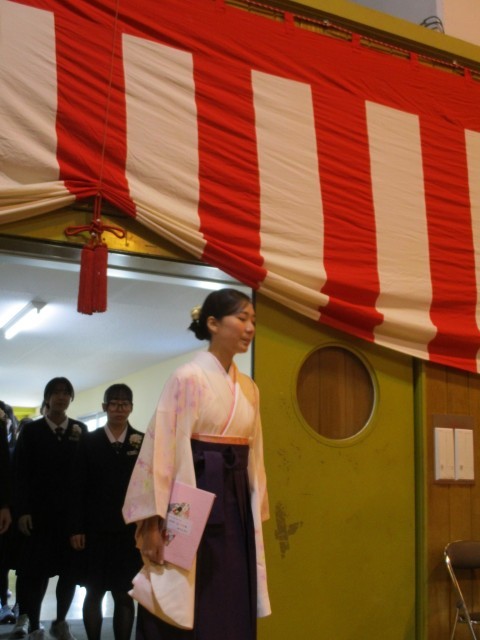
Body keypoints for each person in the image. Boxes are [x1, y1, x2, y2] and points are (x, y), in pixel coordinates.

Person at [123, 288, 271, 640]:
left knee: (231, 588)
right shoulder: (187, 377)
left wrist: (255, 504)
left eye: (253, 320)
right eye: (242, 318)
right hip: (193, 492)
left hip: (236, 499)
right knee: (185, 587)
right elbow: (163, 449)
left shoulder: (249, 388)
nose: (250, 327)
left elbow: (256, 455)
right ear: (213, 324)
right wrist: (154, 521)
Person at [13, 378, 88, 640]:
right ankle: (35, 625)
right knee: (36, 572)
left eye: (66, 393)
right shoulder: (31, 431)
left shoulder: (80, 430)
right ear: (47, 397)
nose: (61, 397)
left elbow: (86, 476)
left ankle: (60, 621)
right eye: (55, 393)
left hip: (70, 516)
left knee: (69, 572)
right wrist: (22, 510)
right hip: (38, 515)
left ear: (70, 398)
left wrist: (82, 518)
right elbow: (20, 473)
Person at [69, 384, 144, 640]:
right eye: (114, 403)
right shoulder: (88, 441)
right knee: (94, 591)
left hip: (129, 530)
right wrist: (76, 528)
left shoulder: (142, 441)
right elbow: (77, 486)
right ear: (104, 407)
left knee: (124, 593)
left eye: (124, 404)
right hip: (94, 529)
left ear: (131, 408)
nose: (119, 409)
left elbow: (148, 486)